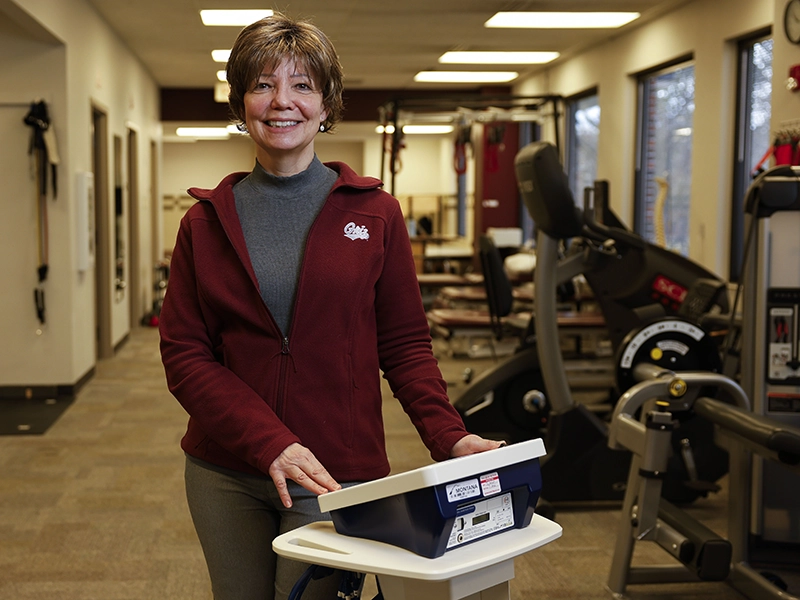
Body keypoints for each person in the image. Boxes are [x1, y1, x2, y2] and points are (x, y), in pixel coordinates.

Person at [159, 12, 503, 600]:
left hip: (336, 472)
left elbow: (404, 345)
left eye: (301, 85)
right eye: (263, 84)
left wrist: (448, 436)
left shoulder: (376, 215)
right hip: (226, 472)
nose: (280, 101)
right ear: (243, 103)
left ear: (326, 104)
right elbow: (186, 355)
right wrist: (271, 442)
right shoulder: (205, 221)